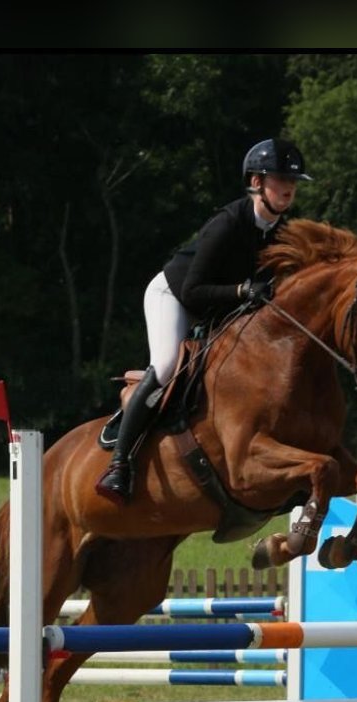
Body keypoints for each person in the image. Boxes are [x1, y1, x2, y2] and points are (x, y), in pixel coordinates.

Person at [95, 137, 312, 506]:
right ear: (256, 182)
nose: (289, 188)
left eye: (292, 181)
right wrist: (244, 291)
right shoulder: (227, 224)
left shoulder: (280, 232)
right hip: (175, 296)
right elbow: (194, 290)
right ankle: (120, 466)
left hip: (222, 309)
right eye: (279, 179)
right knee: (165, 366)